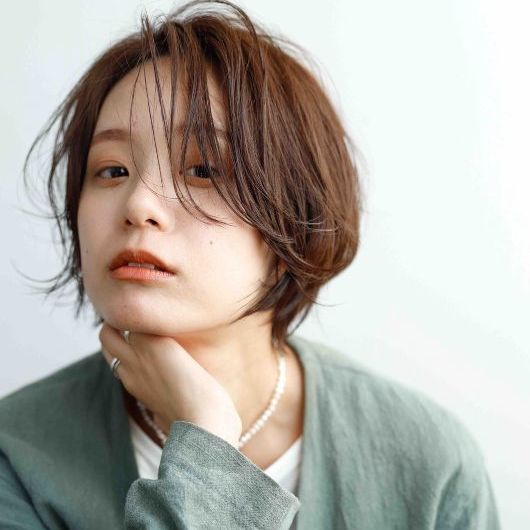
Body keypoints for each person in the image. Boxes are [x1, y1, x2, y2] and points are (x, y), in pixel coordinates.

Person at [0, 0, 501, 528]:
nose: (138, 205)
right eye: (112, 170)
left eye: (202, 169)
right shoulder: (19, 456)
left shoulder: (426, 462)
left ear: (296, 217)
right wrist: (206, 438)